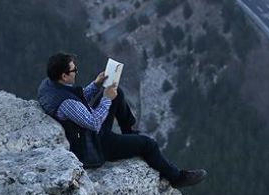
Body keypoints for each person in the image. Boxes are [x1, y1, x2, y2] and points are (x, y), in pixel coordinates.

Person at [37, 52, 206, 188]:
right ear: (64, 76)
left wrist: (96, 85)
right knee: (148, 144)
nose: (76, 72)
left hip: (84, 133)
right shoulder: (66, 102)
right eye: (74, 70)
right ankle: (177, 178)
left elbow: (80, 106)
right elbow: (94, 124)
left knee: (119, 94)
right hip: (94, 146)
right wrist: (106, 98)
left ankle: (128, 132)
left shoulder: (50, 85)